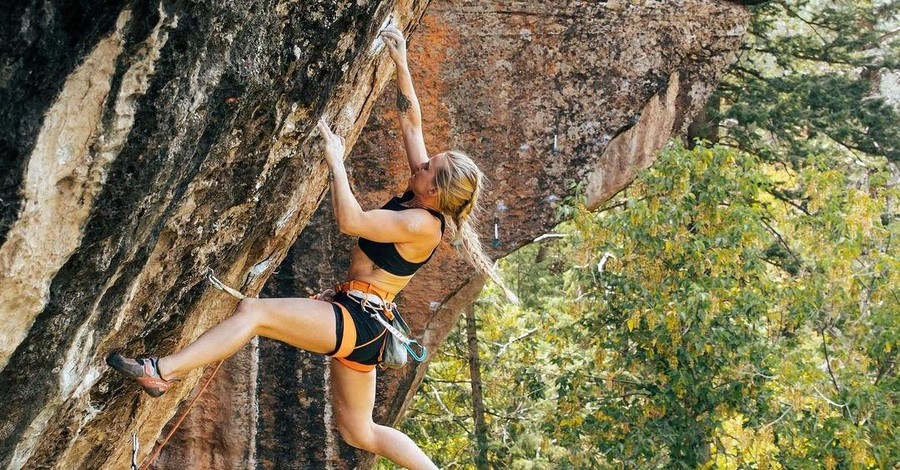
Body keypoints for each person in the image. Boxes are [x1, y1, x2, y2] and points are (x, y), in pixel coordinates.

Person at [107, 27, 515, 469]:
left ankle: (161, 371)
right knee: (360, 432)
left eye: (427, 168)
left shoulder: (421, 222)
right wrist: (401, 64)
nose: (420, 162)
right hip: (367, 322)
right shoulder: (423, 195)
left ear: (435, 193)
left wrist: (336, 162)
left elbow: (352, 222)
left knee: (254, 313)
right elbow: (412, 122)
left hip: (360, 321)